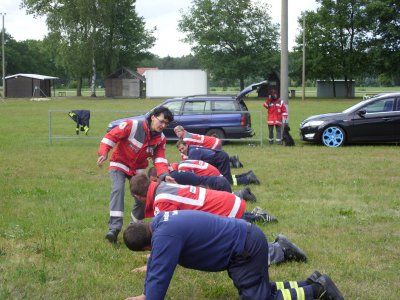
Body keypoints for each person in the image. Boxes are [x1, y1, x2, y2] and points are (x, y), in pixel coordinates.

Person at [123, 210, 344, 300]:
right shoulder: (161, 221)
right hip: (246, 237)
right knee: (261, 288)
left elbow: (159, 277)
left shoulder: (165, 238)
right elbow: (156, 262)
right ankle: (310, 282)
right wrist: (146, 293)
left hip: (244, 249)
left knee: (259, 298)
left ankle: (318, 290)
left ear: (146, 247)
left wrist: (147, 296)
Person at [97, 106, 175, 243]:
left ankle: (134, 228)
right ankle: (114, 229)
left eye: (166, 124)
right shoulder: (131, 125)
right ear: (153, 117)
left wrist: (164, 175)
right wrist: (103, 152)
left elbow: (160, 159)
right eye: (161, 121)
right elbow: (110, 137)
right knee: (118, 189)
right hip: (119, 163)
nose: (163, 125)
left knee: (143, 197)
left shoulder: (161, 139)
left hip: (138, 169)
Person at [130, 173, 275, 223]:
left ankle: (259, 217)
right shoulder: (162, 186)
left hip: (223, 207)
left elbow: (167, 232)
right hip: (223, 199)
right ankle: (257, 215)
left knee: (237, 226)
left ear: (138, 196)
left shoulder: (161, 202)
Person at [148, 166, 256, 202]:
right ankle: (243, 191)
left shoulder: (173, 179)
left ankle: (257, 215)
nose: (154, 184)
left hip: (217, 184)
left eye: (154, 181)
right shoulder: (175, 173)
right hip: (217, 181)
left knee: (227, 211)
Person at [176, 141, 260, 185]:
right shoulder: (192, 149)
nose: (182, 151)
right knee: (224, 177)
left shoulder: (192, 152)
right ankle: (247, 175)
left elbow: (192, 169)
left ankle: (248, 179)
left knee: (226, 181)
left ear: (186, 145)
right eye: (180, 150)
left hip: (220, 158)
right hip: (218, 158)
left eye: (183, 148)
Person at [174, 125, 244, 168]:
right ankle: (233, 159)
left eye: (179, 131)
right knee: (218, 158)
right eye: (176, 132)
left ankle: (233, 161)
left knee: (216, 160)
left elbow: (185, 153)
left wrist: (183, 164)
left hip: (213, 143)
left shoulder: (186, 139)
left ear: (183, 131)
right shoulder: (186, 134)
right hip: (213, 141)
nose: (178, 133)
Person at [172, 159, 259, 187]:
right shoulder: (184, 162)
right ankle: (248, 175)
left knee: (229, 182)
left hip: (212, 174)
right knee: (228, 178)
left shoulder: (182, 168)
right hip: (212, 170)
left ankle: (248, 178)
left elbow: (191, 181)